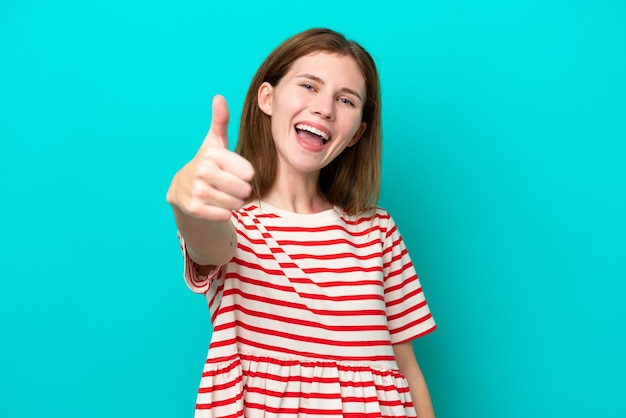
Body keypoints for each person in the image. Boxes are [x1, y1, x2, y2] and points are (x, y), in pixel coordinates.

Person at [166, 28, 437, 418]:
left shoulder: (378, 232)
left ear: (357, 133)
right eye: (309, 85)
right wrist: (187, 203)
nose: (324, 108)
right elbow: (209, 244)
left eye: (345, 100)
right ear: (268, 98)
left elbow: (407, 370)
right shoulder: (234, 224)